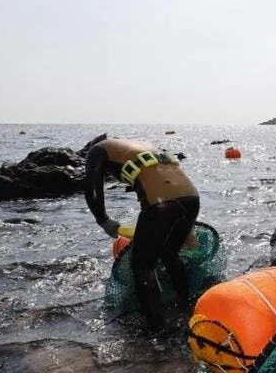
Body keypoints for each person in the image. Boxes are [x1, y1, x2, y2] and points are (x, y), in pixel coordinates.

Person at [84, 134, 201, 333]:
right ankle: (187, 307)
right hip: (192, 199)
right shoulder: (140, 146)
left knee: (142, 265)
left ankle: (156, 327)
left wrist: (103, 220)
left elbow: (92, 188)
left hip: (161, 204)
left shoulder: (97, 150)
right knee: (170, 255)